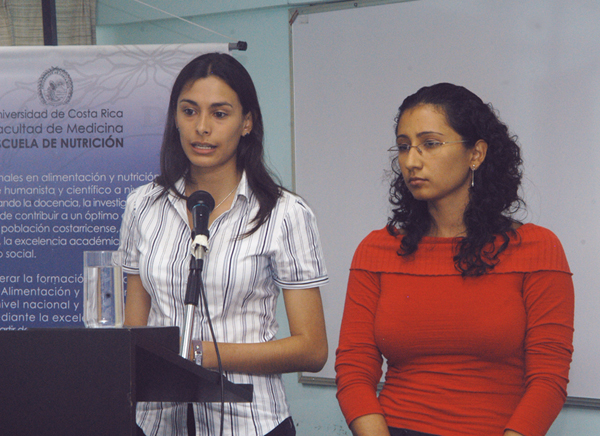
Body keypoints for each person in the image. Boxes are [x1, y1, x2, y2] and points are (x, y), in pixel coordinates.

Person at [335, 83, 574, 436]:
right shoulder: (376, 251)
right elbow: (354, 369)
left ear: (476, 154)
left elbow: (548, 379)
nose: (411, 161)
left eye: (430, 144)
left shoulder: (537, 249)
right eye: (403, 147)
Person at [118, 52, 329, 436]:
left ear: (246, 122)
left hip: (249, 424)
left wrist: (201, 355)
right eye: (189, 111)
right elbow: (134, 331)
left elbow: (312, 349)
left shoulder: (284, 213)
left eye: (219, 113)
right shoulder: (142, 205)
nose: (201, 127)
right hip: (154, 425)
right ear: (174, 119)